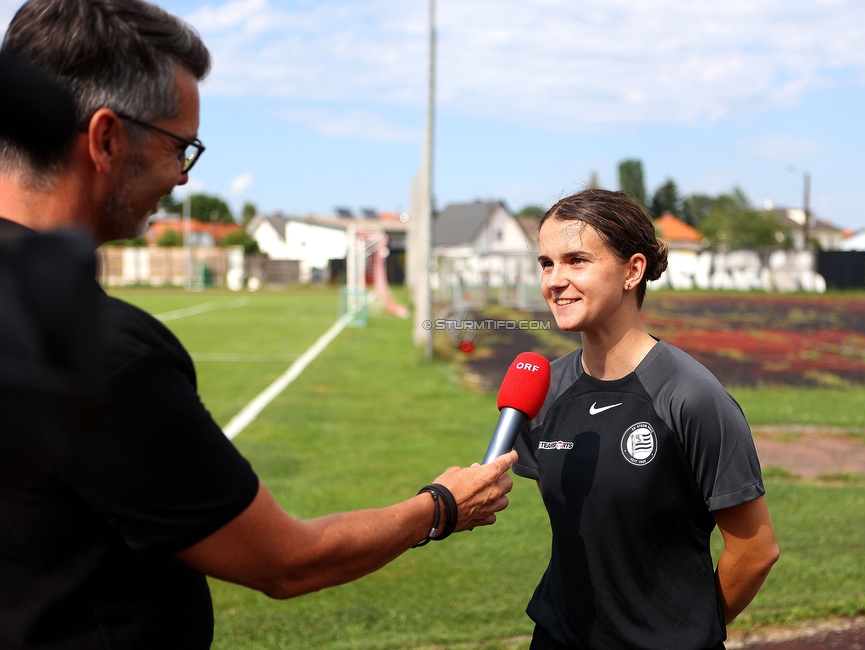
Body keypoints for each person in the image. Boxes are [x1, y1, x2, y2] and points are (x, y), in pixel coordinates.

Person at [0, 1, 517, 648]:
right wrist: (441, 506)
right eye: (178, 146)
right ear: (106, 138)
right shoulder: (103, 351)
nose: (184, 177)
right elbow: (286, 560)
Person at [512, 189, 779, 650]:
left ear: (633, 271)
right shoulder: (544, 390)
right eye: (546, 263)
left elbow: (755, 552)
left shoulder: (691, 396)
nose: (555, 280)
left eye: (576, 260)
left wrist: (684, 632)